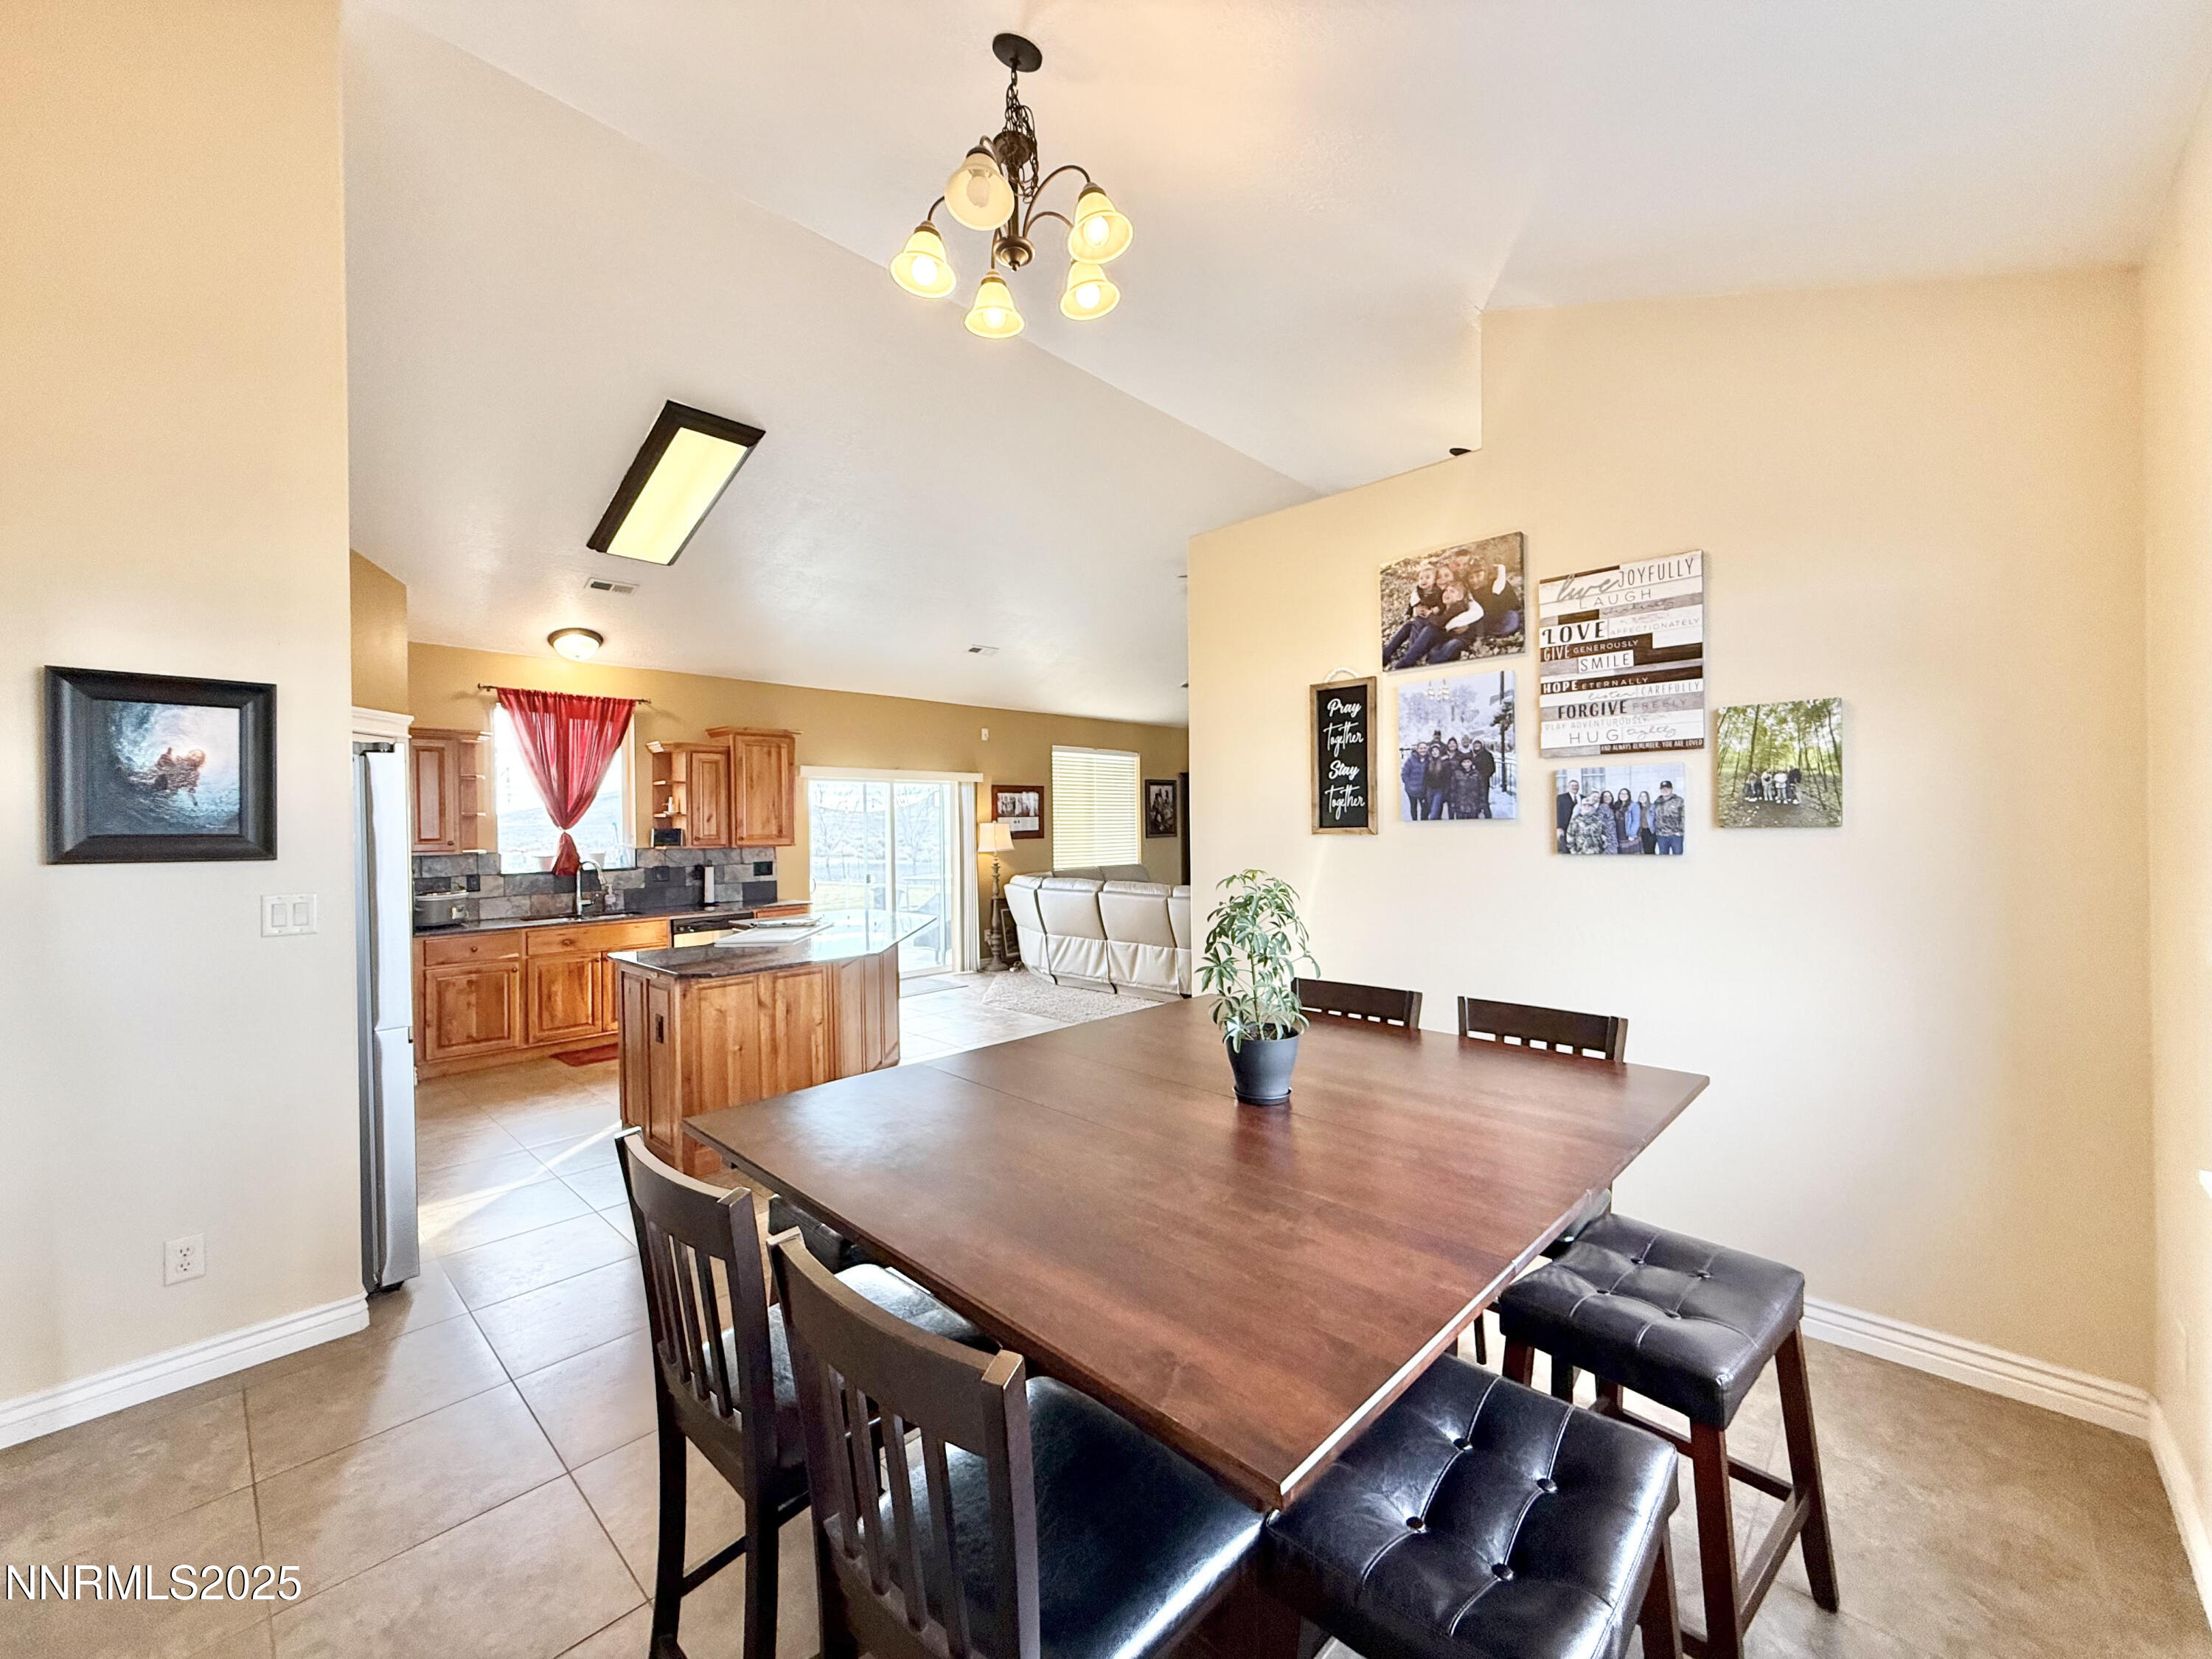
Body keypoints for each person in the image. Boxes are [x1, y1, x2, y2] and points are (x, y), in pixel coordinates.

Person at [1565, 790, 1615, 855]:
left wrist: (1604, 847)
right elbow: (1570, 837)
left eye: (1589, 805)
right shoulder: (1575, 820)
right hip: (1581, 852)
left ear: (1592, 807)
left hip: (1597, 852)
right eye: (1584, 805)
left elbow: (1604, 834)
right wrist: (1573, 851)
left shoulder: (1599, 818)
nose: (1587, 807)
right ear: (1581, 807)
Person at [1650, 780, 1686, 854]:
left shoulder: (1679, 801)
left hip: (1675, 835)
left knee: (1678, 858)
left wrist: (1680, 831)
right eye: (1663, 789)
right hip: (1661, 835)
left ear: (1671, 789)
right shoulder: (1657, 802)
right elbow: (1653, 818)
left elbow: (1684, 817)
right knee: (1663, 859)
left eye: (1667, 788)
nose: (1665, 790)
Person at [1422, 740, 1453, 822]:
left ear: (1439, 751)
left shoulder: (1444, 763)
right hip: (1430, 790)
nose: (1434, 752)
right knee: (1432, 809)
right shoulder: (1429, 762)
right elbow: (1425, 777)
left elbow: (1447, 778)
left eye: (1436, 750)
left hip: (1439, 790)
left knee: (1434, 814)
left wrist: (1446, 791)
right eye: (1433, 751)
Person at [1401, 741, 1427, 821]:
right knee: (1413, 807)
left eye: (1424, 748)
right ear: (1418, 749)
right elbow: (1404, 774)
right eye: (1421, 748)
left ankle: (1424, 823)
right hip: (1412, 790)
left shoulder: (1429, 759)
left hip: (1424, 790)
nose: (1423, 750)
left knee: (1425, 809)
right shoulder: (1411, 760)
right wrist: (1409, 785)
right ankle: (1414, 822)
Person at [1470, 740, 1496, 818]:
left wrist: (1484, 776)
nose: (1476, 746)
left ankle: (1488, 816)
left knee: (1484, 800)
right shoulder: (1473, 755)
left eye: (1478, 744)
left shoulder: (1487, 755)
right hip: (1474, 782)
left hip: (1484, 781)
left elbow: (1492, 768)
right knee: (1475, 799)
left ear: (1482, 745)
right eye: (1475, 744)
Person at [1555, 776, 1579, 851]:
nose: (1575, 787)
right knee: (1566, 849)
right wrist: (1559, 828)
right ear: (1568, 787)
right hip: (1565, 827)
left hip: (1579, 828)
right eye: (1572, 786)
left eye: (1576, 786)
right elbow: (1558, 812)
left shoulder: (1582, 797)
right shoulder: (1561, 798)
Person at [1617, 789, 1642, 854]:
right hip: (1619, 835)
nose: (1623, 795)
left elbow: (1636, 821)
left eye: (1625, 794)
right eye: (1621, 794)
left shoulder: (1634, 805)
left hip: (1629, 835)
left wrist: (1632, 834)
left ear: (1629, 795)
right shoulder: (1617, 805)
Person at [1637, 790, 1657, 854]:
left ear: (1648, 798)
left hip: (1650, 831)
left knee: (1650, 851)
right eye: (1641, 796)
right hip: (1640, 831)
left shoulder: (1652, 807)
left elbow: (1656, 819)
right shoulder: (1636, 807)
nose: (1642, 798)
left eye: (1645, 796)